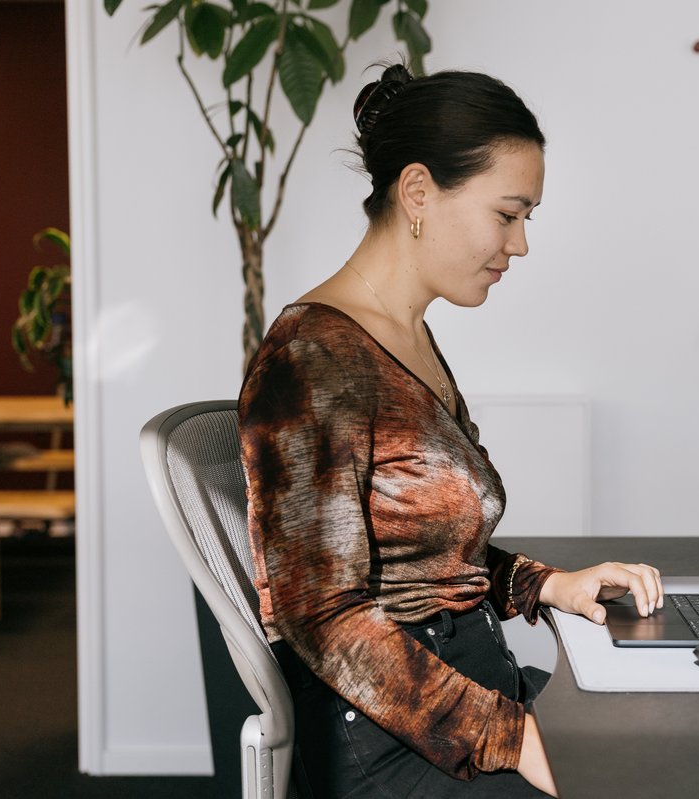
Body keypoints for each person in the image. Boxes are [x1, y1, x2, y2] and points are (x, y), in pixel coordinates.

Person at [238, 63, 664, 799]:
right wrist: (511, 737)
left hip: (459, 695)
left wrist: (549, 585)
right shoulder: (310, 358)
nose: (520, 244)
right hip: (387, 737)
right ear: (417, 193)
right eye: (508, 214)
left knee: (673, 748)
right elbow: (322, 615)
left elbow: (428, 554)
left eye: (527, 219)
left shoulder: (404, 337)